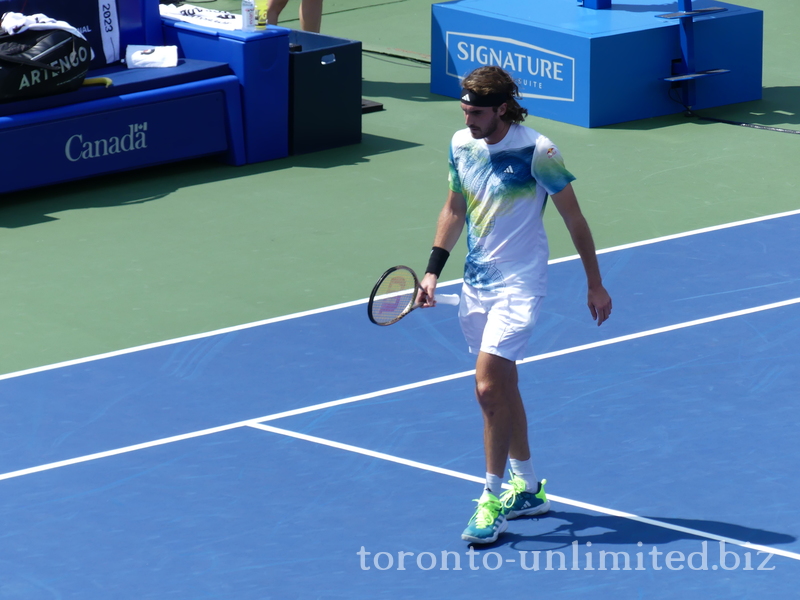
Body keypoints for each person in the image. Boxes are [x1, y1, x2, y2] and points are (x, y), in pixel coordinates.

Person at [417, 66, 612, 544]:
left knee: (486, 389)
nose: (469, 120)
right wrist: (432, 270)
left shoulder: (537, 151)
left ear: (502, 108)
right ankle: (527, 489)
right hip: (476, 283)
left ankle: (490, 497)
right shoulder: (461, 144)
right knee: (503, 385)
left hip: (521, 285)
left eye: (477, 112)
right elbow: (455, 208)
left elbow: (575, 219)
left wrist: (595, 283)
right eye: (464, 111)